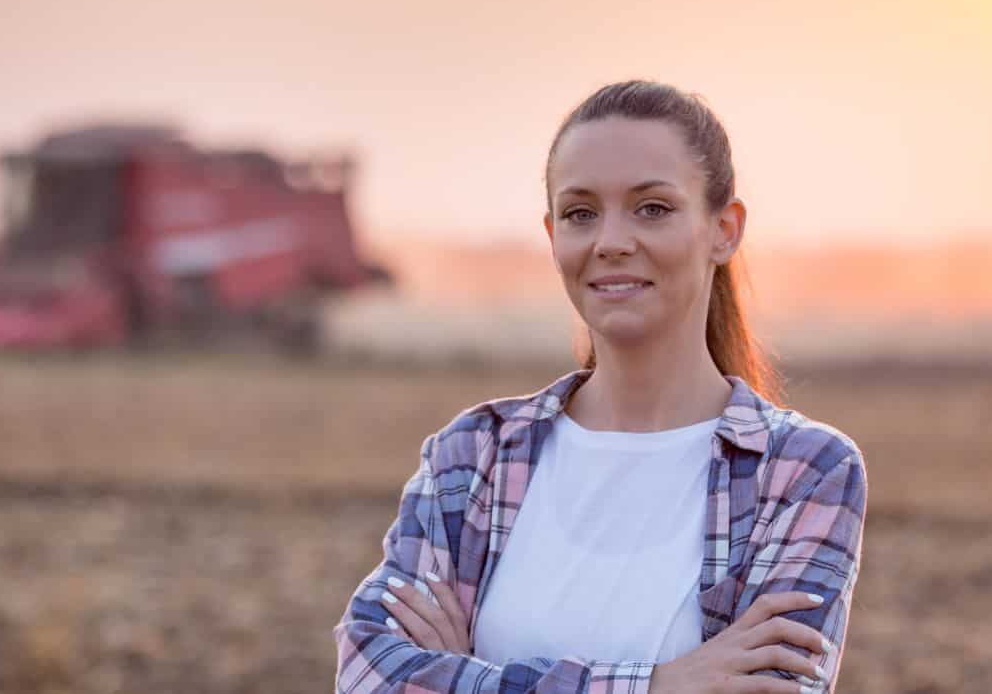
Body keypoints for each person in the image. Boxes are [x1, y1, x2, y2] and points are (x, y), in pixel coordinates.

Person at [333, 80, 867, 693]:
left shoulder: (803, 471)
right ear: (553, 233)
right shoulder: (472, 455)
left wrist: (468, 675)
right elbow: (370, 678)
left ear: (724, 229)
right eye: (580, 213)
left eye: (653, 208)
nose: (611, 242)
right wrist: (658, 686)